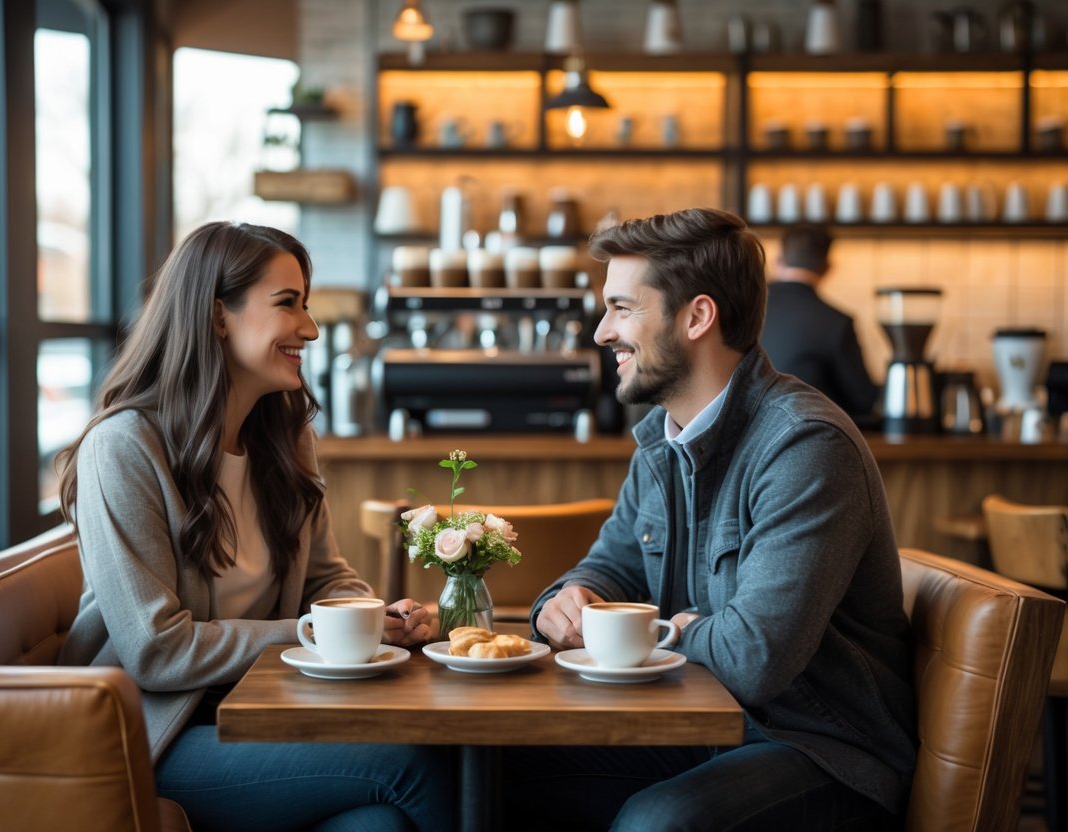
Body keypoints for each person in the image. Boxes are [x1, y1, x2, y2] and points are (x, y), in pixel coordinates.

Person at [506, 208, 917, 830]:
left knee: (659, 821)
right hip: (699, 722)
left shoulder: (804, 445)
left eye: (622, 308)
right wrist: (566, 600)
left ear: (697, 317)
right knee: (484, 775)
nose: (600, 333)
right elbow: (613, 563)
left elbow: (753, 656)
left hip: (819, 748)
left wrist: (649, 631)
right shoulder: (662, 438)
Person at [56, 221, 451, 832]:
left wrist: (372, 619)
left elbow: (329, 579)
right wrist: (317, 632)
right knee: (410, 765)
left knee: (379, 825)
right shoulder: (123, 449)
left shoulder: (282, 437)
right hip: (152, 738)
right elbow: (157, 651)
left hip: (259, 711)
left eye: (306, 304)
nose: (310, 329)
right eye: (287, 304)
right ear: (218, 317)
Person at [759, 223, 878, 422]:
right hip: (810, 436)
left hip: (741, 437)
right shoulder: (837, 322)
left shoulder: (745, 308)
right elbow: (863, 399)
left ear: (778, 262)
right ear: (827, 268)